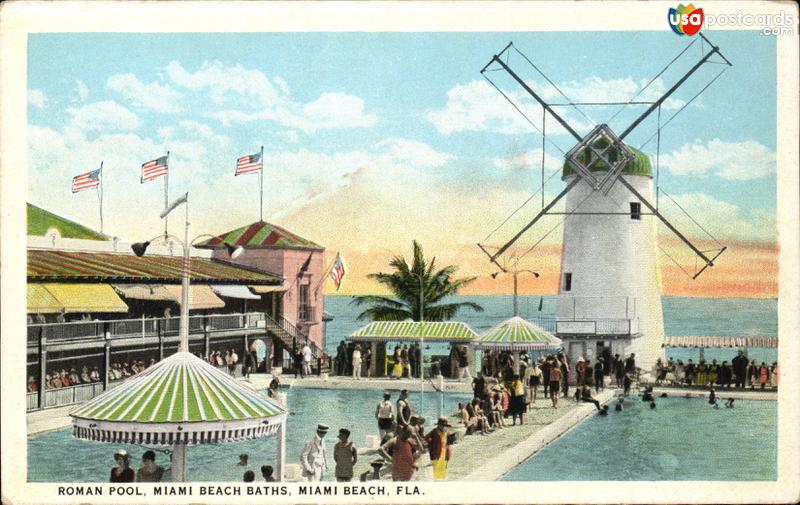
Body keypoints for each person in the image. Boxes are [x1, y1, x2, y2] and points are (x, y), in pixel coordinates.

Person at [425, 417, 453, 481]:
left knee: (443, 470)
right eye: (442, 425)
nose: (443, 427)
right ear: (439, 425)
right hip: (436, 453)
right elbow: (426, 438)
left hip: (444, 453)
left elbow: (448, 443)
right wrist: (430, 445)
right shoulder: (434, 431)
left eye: (444, 426)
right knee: (436, 470)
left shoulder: (446, 432)